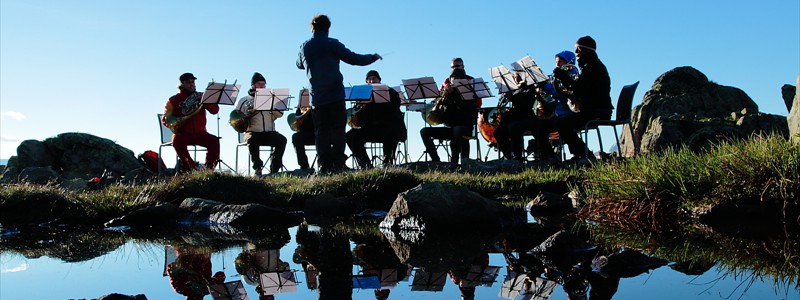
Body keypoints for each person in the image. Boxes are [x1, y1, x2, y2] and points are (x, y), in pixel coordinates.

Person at [296, 14, 382, 174]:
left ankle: (323, 165)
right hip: (335, 94)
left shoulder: (304, 46)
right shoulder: (332, 44)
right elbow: (354, 59)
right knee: (337, 130)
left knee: (321, 131)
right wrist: (373, 57)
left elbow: (299, 64)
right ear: (328, 28)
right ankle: (339, 164)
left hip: (317, 96)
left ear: (312, 27)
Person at [552, 36, 613, 162]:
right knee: (563, 122)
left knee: (561, 123)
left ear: (587, 50)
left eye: (578, 49)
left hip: (597, 111)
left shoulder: (593, 67)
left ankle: (584, 155)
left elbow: (579, 90)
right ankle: (581, 154)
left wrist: (564, 78)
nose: (576, 53)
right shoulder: (590, 66)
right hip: (595, 109)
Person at [420, 59, 479, 164]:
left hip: (466, 127)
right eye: (452, 78)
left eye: (457, 78)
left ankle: (454, 162)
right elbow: (439, 107)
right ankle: (436, 161)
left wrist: (454, 95)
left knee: (457, 130)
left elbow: (468, 109)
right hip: (450, 127)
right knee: (424, 131)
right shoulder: (446, 91)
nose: (454, 80)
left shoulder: (469, 91)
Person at [346, 70, 407, 169]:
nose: (371, 81)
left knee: (392, 132)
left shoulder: (390, 92)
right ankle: (366, 166)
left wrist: (374, 102)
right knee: (350, 136)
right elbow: (360, 121)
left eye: (374, 78)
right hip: (372, 129)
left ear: (379, 80)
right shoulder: (363, 96)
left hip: (390, 128)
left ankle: (388, 164)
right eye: (369, 80)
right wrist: (361, 107)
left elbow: (394, 108)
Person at [162, 72, 220, 172]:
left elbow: (215, 111)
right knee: (176, 140)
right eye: (188, 82)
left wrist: (206, 100)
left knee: (214, 141)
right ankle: (192, 168)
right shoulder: (173, 100)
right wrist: (175, 121)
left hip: (200, 133)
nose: (192, 84)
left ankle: (208, 170)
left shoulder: (201, 97)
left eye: (193, 82)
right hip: (183, 133)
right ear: (182, 84)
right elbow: (166, 119)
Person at [233, 72, 287, 176]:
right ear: (253, 85)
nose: (263, 87)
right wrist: (247, 114)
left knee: (282, 140)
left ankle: (274, 169)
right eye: (260, 84)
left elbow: (280, 115)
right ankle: (258, 168)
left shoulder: (271, 99)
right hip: (252, 131)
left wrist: (271, 106)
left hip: (269, 132)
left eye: (264, 84)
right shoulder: (244, 100)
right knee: (252, 139)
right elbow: (236, 117)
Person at [291, 106, 316, 170]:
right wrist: (300, 112)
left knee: (325, 136)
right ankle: (304, 166)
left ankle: (325, 164)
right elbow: (296, 123)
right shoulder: (300, 109)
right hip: (305, 134)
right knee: (296, 137)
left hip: (319, 133)